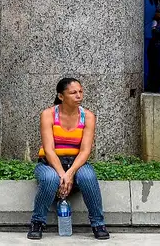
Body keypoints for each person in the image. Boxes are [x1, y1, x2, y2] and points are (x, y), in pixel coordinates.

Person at [28, 78, 108, 241]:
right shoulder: (48, 115)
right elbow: (49, 150)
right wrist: (62, 174)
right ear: (61, 96)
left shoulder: (88, 116)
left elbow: (85, 151)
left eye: (80, 91)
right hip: (49, 163)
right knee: (50, 179)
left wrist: (70, 173)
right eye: (73, 93)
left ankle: (98, 224)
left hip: (77, 163)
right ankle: (37, 222)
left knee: (88, 176)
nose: (79, 96)